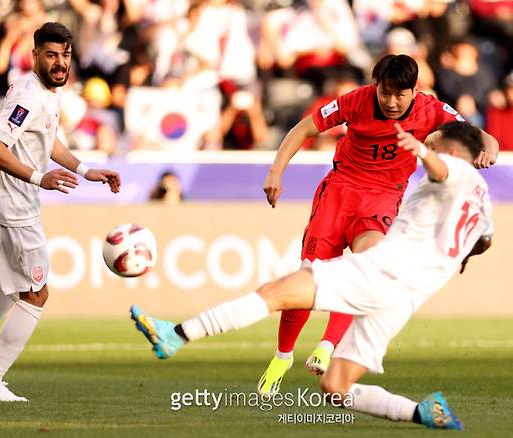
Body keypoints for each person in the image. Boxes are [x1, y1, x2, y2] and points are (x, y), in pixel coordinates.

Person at [130, 121, 494, 430]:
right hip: (404, 299)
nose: (428, 148)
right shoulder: (483, 199)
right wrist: (462, 255)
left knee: (275, 292)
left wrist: (422, 150)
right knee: (336, 387)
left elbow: (442, 170)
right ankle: (422, 412)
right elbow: (484, 240)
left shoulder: (454, 167)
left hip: (381, 271)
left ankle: (176, 335)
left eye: (435, 144)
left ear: (455, 151)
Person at [257, 54, 499, 396]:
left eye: (400, 95)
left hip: (383, 199)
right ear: (377, 87)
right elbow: (305, 128)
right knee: (308, 275)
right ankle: (282, 356)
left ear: (415, 90)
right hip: (339, 193)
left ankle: (328, 347)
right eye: (386, 93)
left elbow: (484, 137)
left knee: (365, 270)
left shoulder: (433, 110)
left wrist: (489, 151)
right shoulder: (356, 101)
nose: (391, 102)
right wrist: (275, 171)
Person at [0, 22, 121, 403]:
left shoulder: (41, 91)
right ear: (35, 54)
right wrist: (41, 179)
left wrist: (85, 171)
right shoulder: (29, 97)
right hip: (13, 210)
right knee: (36, 294)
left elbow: (45, 138)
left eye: (65, 56)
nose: (59, 63)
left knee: (14, 286)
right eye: (51, 55)